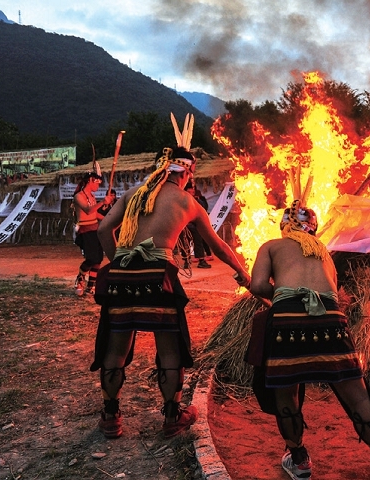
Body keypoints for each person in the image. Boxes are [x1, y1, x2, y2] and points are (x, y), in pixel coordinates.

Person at [91, 144, 251, 440]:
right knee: (169, 350)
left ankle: (111, 416)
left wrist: (122, 263)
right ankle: (172, 416)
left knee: (116, 349)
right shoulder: (186, 201)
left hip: (122, 278)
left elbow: (103, 232)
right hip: (159, 278)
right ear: (188, 172)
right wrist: (242, 272)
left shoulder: (132, 194)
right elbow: (218, 246)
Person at [249, 199, 370, 480]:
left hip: (287, 322)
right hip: (330, 321)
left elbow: (258, 286)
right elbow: (331, 291)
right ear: (313, 229)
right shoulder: (323, 252)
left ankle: (299, 461)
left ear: (285, 227)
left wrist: (284, 293)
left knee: (286, 391)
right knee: (356, 393)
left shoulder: (271, 246)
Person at [73, 169, 116, 295]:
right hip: (85, 230)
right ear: (91, 181)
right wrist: (103, 202)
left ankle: (91, 285)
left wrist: (110, 219)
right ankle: (80, 278)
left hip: (95, 228)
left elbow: (95, 213)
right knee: (92, 257)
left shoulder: (91, 196)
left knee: (98, 259)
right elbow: (88, 210)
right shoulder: (79, 196)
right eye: (97, 183)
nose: (98, 186)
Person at [183, 181, 211, 268]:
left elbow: (203, 208)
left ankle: (201, 260)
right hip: (185, 225)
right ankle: (186, 261)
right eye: (189, 192)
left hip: (195, 225)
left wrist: (198, 199)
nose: (191, 193)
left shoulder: (196, 200)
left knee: (198, 242)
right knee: (185, 243)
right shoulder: (181, 200)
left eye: (193, 192)